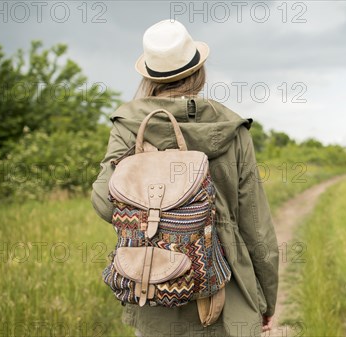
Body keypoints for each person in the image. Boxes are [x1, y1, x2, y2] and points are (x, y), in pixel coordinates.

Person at [91, 19, 278, 337]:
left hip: (153, 291)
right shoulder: (231, 128)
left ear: (149, 75)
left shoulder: (129, 125)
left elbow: (105, 203)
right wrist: (265, 300)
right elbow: (256, 228)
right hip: (228, 292)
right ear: (198, 70)